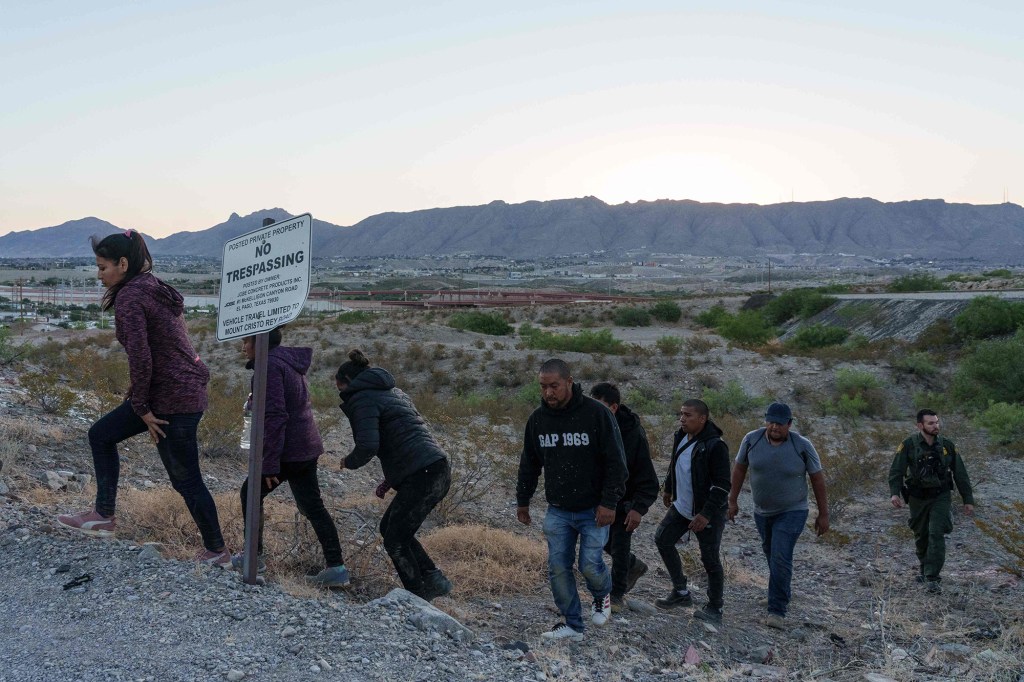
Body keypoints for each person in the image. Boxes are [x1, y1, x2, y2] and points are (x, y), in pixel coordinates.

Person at [57, 230, 231, 566]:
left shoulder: (132, 297)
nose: (99, 274)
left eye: (103, 267)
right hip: (176, 390)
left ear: (123, 264)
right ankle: (102, 515)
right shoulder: (151, 285)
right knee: (102, 435)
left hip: (172, 399)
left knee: (185, 478)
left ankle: (217, 551)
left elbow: (141, 356)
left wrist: (141, 407)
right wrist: (139, 399)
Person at [517, 359, 628, 641]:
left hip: (594, 508)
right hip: (558, 510)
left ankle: (602, 594)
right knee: (557, 567)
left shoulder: (597, 414)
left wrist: (610, 503)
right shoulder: (538, 420)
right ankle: (573, 625)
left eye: (554, 386)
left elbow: (617, 463)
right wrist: (523, 500)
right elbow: (529, 464)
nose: (549, 393)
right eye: (543, 387)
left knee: (590, 565)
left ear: (569, 381)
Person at [335, 349, 453, 601]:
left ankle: (417, 597)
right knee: (390, 528)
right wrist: (390, 479)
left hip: (423, 473)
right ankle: (433, 578)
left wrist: (348, 462)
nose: (340, 393)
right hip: (435, 467)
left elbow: (368, 445)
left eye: (339, 387)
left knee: (395, 539)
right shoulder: (394, 392)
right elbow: (402, 437)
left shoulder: (361, 399)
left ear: (346, 382)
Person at [234, 327, 348, 586]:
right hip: (305, 446)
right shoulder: (286, 362)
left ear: (259, 342)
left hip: (289, 450)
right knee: (312, 507)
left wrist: (269, 464)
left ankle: (254, 557)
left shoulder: (270, 367)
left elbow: (275, 417)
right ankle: (337, 568)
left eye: (246, 341)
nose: (243, 347)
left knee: (250, 493)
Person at [728, 402, 829, 629]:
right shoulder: (751, 440)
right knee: (771, 552)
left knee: (781, 555)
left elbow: (817, 479)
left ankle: (777, 610)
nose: (774, 427)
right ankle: (780, 590)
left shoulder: (802, 445)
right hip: (762, 511)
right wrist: (732, 500)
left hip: (793, 510)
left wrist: (823, 514)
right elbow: (739, 469)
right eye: (770, 422)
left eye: (780, 423)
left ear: (789, 424)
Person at [654, 399, 731, 623]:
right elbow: (674, 463)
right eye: (681, 414)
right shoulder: (681, 436)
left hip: (708, 512)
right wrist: (669, 488)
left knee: (710, 558)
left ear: (702, 418)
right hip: (683, 506)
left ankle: (715, 607)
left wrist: (705, 514)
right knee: (663, 540)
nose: (682, 419)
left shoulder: (715, 446)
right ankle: (680, 592)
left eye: (688, 415)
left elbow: (722, 486)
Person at [888, 409, 974, 593]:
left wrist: (968, 499)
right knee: (921, 535)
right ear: (920, 425)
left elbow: (961, 474)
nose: (936, 426)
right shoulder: (908, 445)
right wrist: (894, 493)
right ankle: (924, 569)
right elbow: (896, 471)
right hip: (917, 497)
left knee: (936, 532)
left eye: (937, 422)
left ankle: (932, 578)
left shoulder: (947, 445)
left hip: (940, 496)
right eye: (931, 423)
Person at [589, 382, 659, 612]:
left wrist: (638, 508)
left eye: (601, 407)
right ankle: (632, 565)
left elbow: (647, 477)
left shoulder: (632, 434)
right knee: (600, 542)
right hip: (598, 498)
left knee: (619, 544)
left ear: (614, 407)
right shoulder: (590, 426)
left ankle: (617, 594)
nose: (595, 412)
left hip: (625, 500)